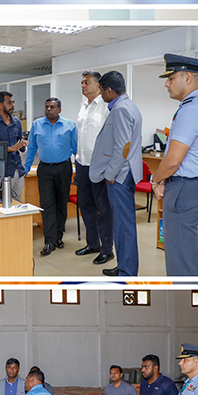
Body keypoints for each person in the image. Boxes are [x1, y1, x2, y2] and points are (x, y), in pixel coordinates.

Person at [150, 54, 198, 277]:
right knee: (184, 255)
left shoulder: (192, 109)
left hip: (184, 189)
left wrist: (156, 179)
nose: (166, 84)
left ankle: (184, 305)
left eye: (171, 78)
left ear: (187, 77)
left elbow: (172, 161)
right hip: (191, 186)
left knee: (179, 262)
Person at [90, 70, 142, 277]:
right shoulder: (129, 105)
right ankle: (124, 266)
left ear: (110, 90)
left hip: (119, 176)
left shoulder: (120, 109)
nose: (101, 95)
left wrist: (110, 175)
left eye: (102, 90)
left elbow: (123, 147)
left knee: (123, 226)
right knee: (122, 225)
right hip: (126, 173)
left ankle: (127, 272)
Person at [23, 97, 78, 256]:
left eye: (52, 107)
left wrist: (80, 169)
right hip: (45, 169)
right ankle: (49, 241)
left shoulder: (70, 125)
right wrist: (26, 168)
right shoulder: (37, 125)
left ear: (59, 110)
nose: (49, 110)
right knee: (47, 205)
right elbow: (32, 148)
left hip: (64, 168)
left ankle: (58, 236)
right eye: (46, 107)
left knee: (61, 203)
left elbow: (75, 148)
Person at [74, 70, 114, 266]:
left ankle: (107, 249)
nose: (83, 85)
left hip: (99, 166)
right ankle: (93, 244)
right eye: (82, 82)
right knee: (86, 206)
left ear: (98, 85)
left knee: (103, 209)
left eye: (87, 82)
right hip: (81, 163)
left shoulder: (106, 107)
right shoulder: (84, 106)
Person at [0, 91, 27, 200]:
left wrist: (22, 145)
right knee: (5, 204)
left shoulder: (17, 123)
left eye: (13, 102)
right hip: (3, 172)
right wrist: (10, 149)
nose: (13, 105)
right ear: (0, 105)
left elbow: (21, 149)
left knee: (17, 204)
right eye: (9, 103)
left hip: (18, 170)